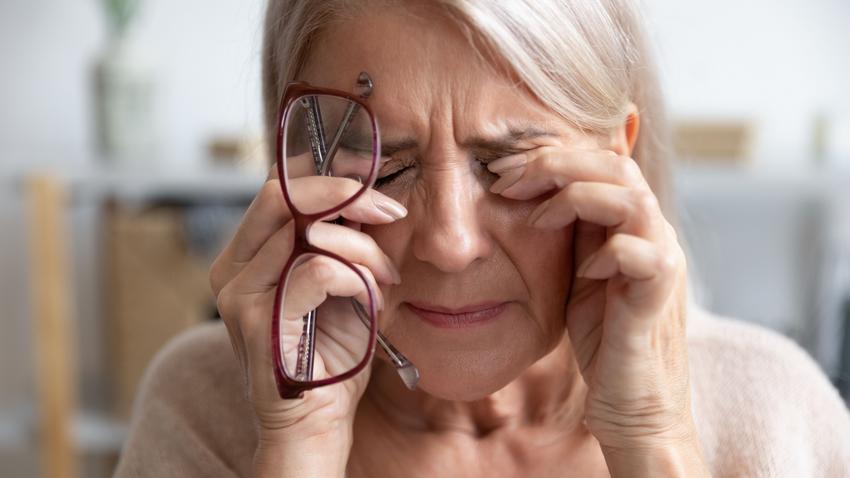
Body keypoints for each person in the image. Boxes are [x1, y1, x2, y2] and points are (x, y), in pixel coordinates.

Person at [114, 1, 850, 476]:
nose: (450, 243)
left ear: (617, 161)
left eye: (509, 165)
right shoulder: (203, 408)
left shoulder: (773, 412)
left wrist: (651, 437)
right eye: (388, 165)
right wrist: (297, 449)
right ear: (300, 165)